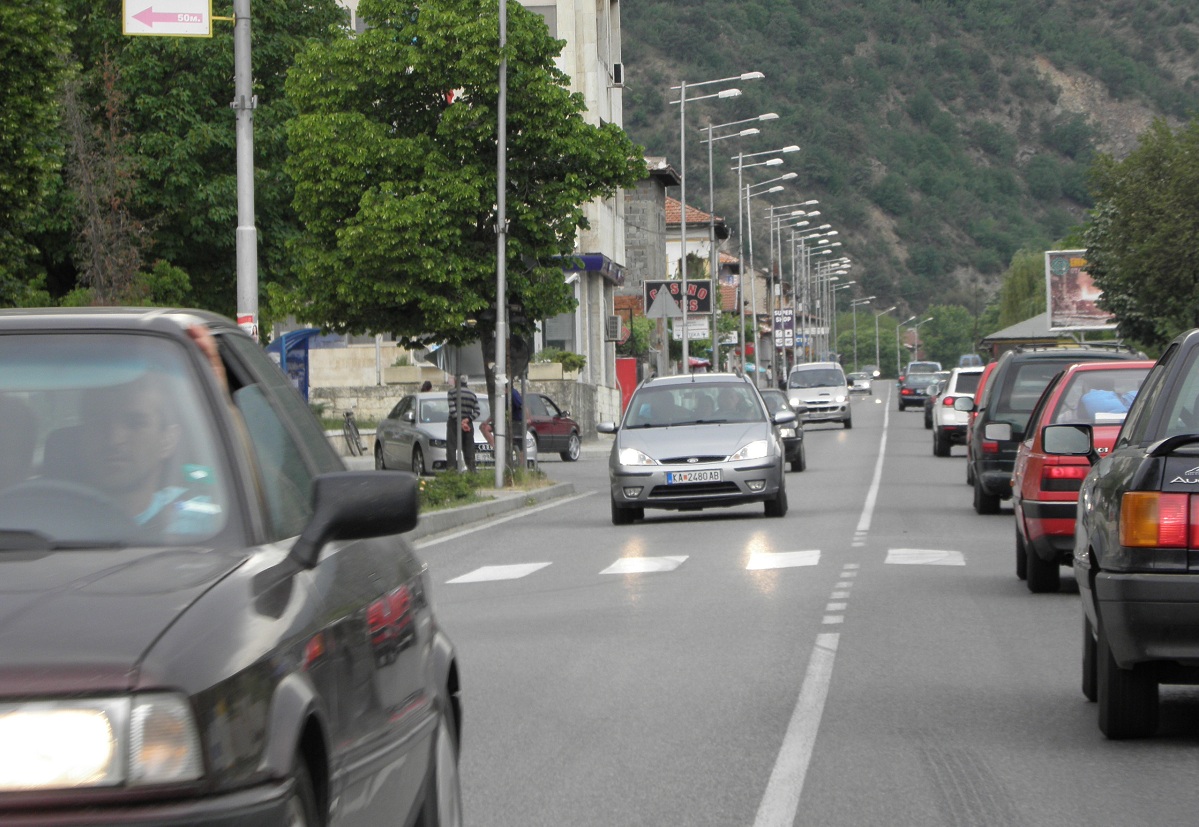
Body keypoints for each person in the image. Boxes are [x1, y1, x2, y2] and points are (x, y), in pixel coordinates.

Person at [446, 374, 480, 472]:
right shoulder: (472, 394)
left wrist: (460, 422)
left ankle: (451, 473)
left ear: (456, 381)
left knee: (452, 448)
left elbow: (453, 411)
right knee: (469, 448)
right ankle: (472, 471)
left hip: (454, 423)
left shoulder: (452, 393)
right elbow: (477, 411)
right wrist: (467, 420)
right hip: (468, 425)